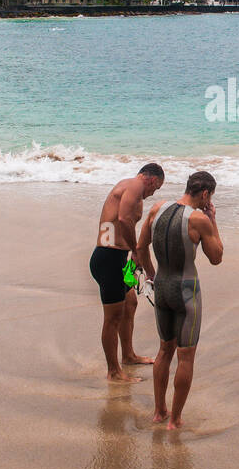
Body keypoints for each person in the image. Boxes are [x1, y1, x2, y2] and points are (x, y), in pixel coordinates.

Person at [135, 170, 224, 429]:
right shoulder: (199, 220)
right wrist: (213, 220)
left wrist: (152, 276)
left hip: (162, 288)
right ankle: (175, 419)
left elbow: (141, 248)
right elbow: (217, 257)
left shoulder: (157, 208)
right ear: (205, 194)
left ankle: (158, 411)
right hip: (186, 291)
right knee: (185, 357)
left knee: (164, 350)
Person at [89, 163, 164, 382]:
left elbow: (125, 223)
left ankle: (129, 355)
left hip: (121, 260)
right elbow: (123, 219)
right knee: (113, 317)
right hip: (109, 259)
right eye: (156, 188)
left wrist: (133, 257)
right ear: (151, 179)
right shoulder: (134, 184)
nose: (153, 193)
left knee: (130, 302)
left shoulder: (134, 190)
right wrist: (137, 250)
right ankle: (113, 372)